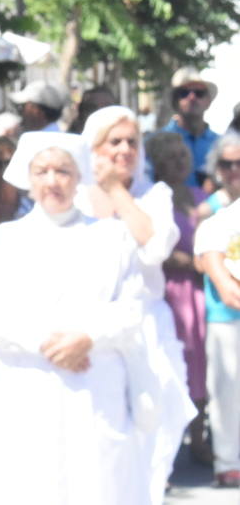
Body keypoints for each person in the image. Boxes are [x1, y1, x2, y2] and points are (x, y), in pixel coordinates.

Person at [0, 132, 151, 505]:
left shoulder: (111, 236)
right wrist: (47, 345)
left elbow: (132, 307)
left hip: (94, 382)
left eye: (63, 171)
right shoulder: (7, 239)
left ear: (79, 176)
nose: (52, 181)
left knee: (97, 481)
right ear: (28, 177)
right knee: (31, 480)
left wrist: (87, 338)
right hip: (28, 381)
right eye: (42, 171)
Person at [77, 106, 194, 502]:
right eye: (115, 141)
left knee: (154, 429)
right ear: (94, 147)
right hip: (92, 330)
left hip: (146, 327)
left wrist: (117, 191)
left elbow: (155, 246)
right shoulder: (76, 197)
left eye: (132, 141)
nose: (124, 149)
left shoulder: (154, 195)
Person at [146, 131, 210, 464]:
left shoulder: (201, 197)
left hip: (200, 291)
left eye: (182, 155)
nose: (179, 162)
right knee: (171, 365)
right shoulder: (153, 199)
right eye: (170, 158)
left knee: (202, 364)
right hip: (168, 291)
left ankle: (198, 438)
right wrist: (183, 260)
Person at [192, 153, 240, 488]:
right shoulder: (215, 223)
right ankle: (228, 464)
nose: (235, 170)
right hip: (226, 319)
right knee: (227, 393)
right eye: (227, 163)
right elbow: (224, 285)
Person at [163, 68, 221, 191]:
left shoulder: (222, 145)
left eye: (199, 93)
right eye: (184, 93)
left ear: (208, 101)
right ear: (175, 101)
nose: (192, 97)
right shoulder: (158, 143)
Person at [200, 132, 240, 221]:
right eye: (226, 164)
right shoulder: (207, 211)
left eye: (239, 162)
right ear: (217, 168)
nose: (234, 169)